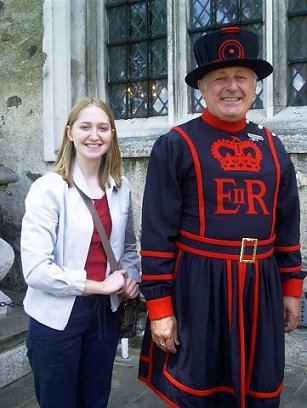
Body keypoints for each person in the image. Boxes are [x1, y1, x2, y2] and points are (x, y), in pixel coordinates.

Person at [138, 26, 306, 408]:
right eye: (220, 79)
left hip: (260, 286)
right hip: (199, 288)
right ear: (202, 87)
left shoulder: (274, 147)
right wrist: (160, 309)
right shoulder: (176, 145)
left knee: (258, 387)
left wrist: (291, 289)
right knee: (201, 391)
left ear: (255, 84)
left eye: (241, 77)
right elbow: (156, 235)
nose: (232, 87)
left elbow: (287, 225)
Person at [20, 97, 141, 408]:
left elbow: (127, 247)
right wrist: (99, 285)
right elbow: (35, 270)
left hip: (105, 315)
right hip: (56, 317)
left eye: (102, 128)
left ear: (112, 135)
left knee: (95, 400)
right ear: (69, 133)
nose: (94, 135)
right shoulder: (49, 189)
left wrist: (131, 278)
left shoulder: (120, 186)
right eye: (85, 126)